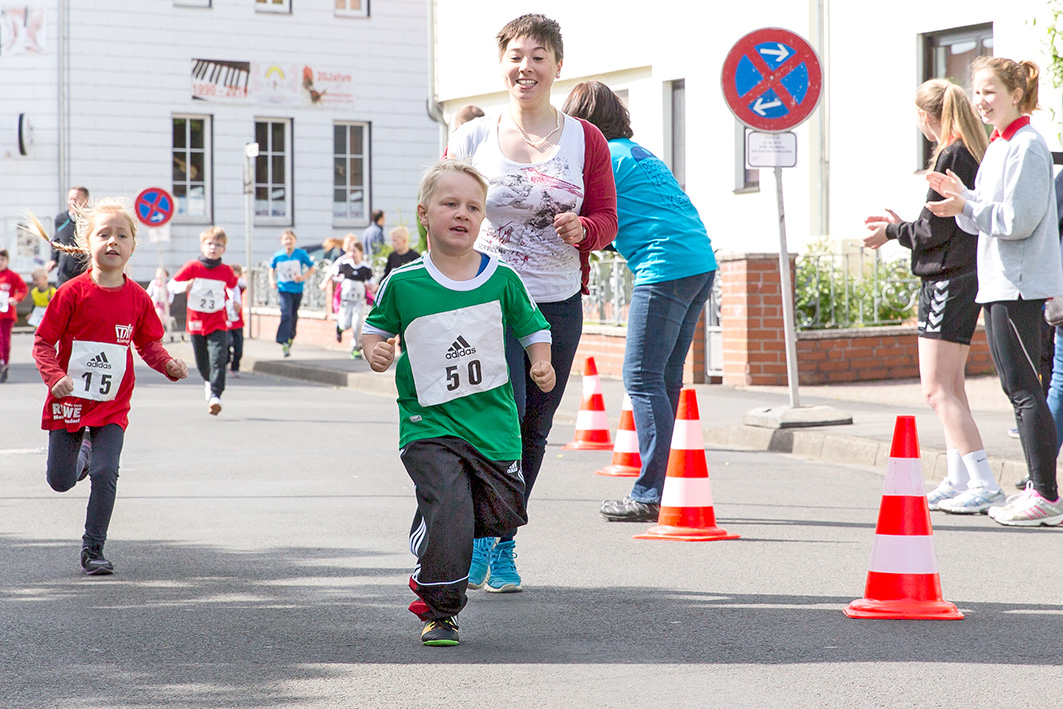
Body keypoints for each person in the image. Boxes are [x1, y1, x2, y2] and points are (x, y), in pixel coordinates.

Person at [446, 13, 617, 591]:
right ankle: (473, 537)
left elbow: (607, 217)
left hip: (556, 301)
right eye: (516, 55)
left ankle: (502, 540)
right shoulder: (473, 137)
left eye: (538, 56)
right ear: (503, 65)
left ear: (557, 66)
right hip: (486, 300)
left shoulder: (585, 139)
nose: (526, 67)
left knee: (535, 427)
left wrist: (585, 231)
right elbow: (447, 207)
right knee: (497, 422)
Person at [362, 159, 554, 646]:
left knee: (493, 514)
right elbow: (373, 331)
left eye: (473, 206)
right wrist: (378, 353)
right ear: (425, 214)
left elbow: (534, 326)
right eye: (450, 204)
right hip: (428, 425)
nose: (462, 213)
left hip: (492, 428)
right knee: (450, 509)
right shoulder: (404, 283)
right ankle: (439, 608)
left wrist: (541, 361)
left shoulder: (501, 278)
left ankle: (434, 529)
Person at [562, 80, 718, 522]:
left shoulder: (604, 158)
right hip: (698, 261)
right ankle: (669, 486)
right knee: (665, 378)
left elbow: (591, 218)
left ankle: (650, 493)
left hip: (664, 267)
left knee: (641, 376)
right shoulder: (641, 155)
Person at [926, 56, 1063, 527]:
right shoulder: (1003, 144)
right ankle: (1041, 491)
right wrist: (961, 200)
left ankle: (1044, 493)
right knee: (1019, 388)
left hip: (1019, 284)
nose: (980, 101)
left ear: (1017, 95)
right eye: (977, 92)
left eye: (990, 92)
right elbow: (988, 212)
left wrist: (968, 204)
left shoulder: (1026, 144)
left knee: (1025, 391)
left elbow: (1016, 221)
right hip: (1002, 281)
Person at [26, 198, 188, 574]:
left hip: (113, 404)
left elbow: (149, 344)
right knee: (60, 481)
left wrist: (169, 364)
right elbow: (43, 343)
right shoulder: (71, 293)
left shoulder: (138, 298)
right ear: (87, 243)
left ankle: (93, 548)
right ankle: (81, 451)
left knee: (106, 472)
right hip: (69, 401)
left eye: (121, 235)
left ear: (133, 246)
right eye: (104, 234)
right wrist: (55, 377)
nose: (112, 242)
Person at [862, 79, 998, 514]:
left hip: (947, 279)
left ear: (925, 117)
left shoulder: (951, 153)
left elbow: (931, 230)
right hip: (961, 276)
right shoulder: (969, 149)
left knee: (936, 390)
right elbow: (937, 225)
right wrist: (906, 225)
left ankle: (982, 483)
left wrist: (891, 231)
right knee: (953, 386)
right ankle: (960, 478)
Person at [171, 226, 239, 416]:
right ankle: (209, 382)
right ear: (202, 246)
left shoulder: (225, 271)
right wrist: (185, 285)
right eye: (210, 243)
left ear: (223, 249)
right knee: (202, 361)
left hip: (218, 320)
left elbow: (233, 288)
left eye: (218, 245)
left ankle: (216, 395)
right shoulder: (193, 267)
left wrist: (236, 302)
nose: (213, 248)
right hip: (196, 321)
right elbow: (172, 284)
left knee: (219, 358)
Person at [322, 237, 373, 358]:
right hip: (346, 301)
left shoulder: (365, 267)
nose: (352, 254)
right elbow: (333, 273)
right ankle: (339, 328)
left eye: (354, 251)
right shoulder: (345, 264)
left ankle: (355, 348)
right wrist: (326, 282)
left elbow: (371, 281)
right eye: (350, 251)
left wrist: (373, 286)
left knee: (357, 324)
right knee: (345, 324)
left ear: (361, 252)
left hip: (359, 301)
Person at [269, 230, 315, 358]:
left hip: (297, 289)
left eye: (291, 238)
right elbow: (271, 268)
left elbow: (312, 267)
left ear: (295, 240)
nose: (288, 241)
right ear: (282, 241)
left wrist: (303, 277)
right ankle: (282, 338)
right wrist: (271, 280)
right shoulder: (278, 255)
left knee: (293, 315)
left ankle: (290, 337)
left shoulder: (300, 254)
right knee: (286, 313)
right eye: (286, 239)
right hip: (283, 289)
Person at [46, 186, 90, 286]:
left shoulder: (92, 219)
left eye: (77, 199)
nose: (73, 203)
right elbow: (56, 241)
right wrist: (53, 260)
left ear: (86, 201)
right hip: (65, 273)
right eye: (71, 199)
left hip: (85, 273)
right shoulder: (61, 219)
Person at [0, 249, 28, 382]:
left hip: (6, 315)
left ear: (7, 261)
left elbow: (23, 289)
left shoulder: (11, 275)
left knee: (4, 340)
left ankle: (4, 362)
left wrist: (16, 298)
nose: (0, 263)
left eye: (2, 260)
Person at [146, 267, 176, 342]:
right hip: (155, 303)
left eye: (162, 273)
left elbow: (171, 294)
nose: (160, 275)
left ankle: (162, 330)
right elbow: (149, 292)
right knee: (157, 317)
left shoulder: (167, 284)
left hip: (164, 304)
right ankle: (168, 323)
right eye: (159, 273)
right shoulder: (154, 283)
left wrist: (169, 301)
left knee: (160, 316)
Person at [226, 264, 246, 377]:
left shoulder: (238, 287)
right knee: (226, 344)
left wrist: (234, 280)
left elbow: (243, 284)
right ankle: (225, 363)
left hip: (237, 322)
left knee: (238, 347)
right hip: (225, 322)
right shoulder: (223, 288)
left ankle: (235, 367)